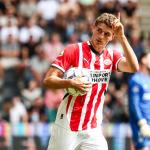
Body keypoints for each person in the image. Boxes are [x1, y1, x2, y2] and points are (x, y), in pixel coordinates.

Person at [43, 12, 139, 150]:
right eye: (99, 30)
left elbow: (133, 67)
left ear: (112, 37)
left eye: (107, 34)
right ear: (93, 27)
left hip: (92, 127)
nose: (101, 36)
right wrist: (70, 83)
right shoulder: (73, 50)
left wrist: (122, 37)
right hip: (68, 123)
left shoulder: (111, 56)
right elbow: (48, 80)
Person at [128, 51, 150, 150]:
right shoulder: (136, 80)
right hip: (142, 125)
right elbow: (134, 104)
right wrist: (142, 123)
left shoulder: (148, 79)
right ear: (143, 60)